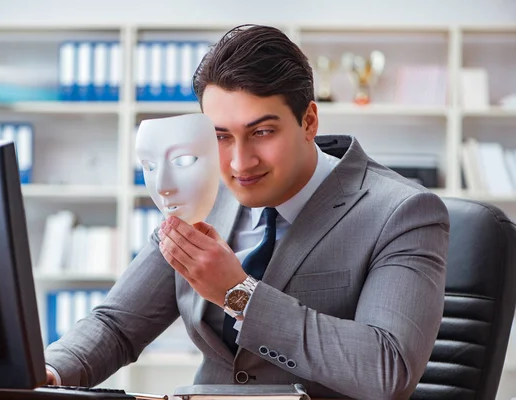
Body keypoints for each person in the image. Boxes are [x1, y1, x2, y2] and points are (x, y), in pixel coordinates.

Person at [44, 24, 449, 400]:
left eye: (262, 132)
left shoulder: (403, 212)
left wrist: (237, 294)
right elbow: (117, 327)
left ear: (308, 121)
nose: (239, 163)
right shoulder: (203, 194)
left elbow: (387, 369)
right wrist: (47, 372)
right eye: (221, 136)